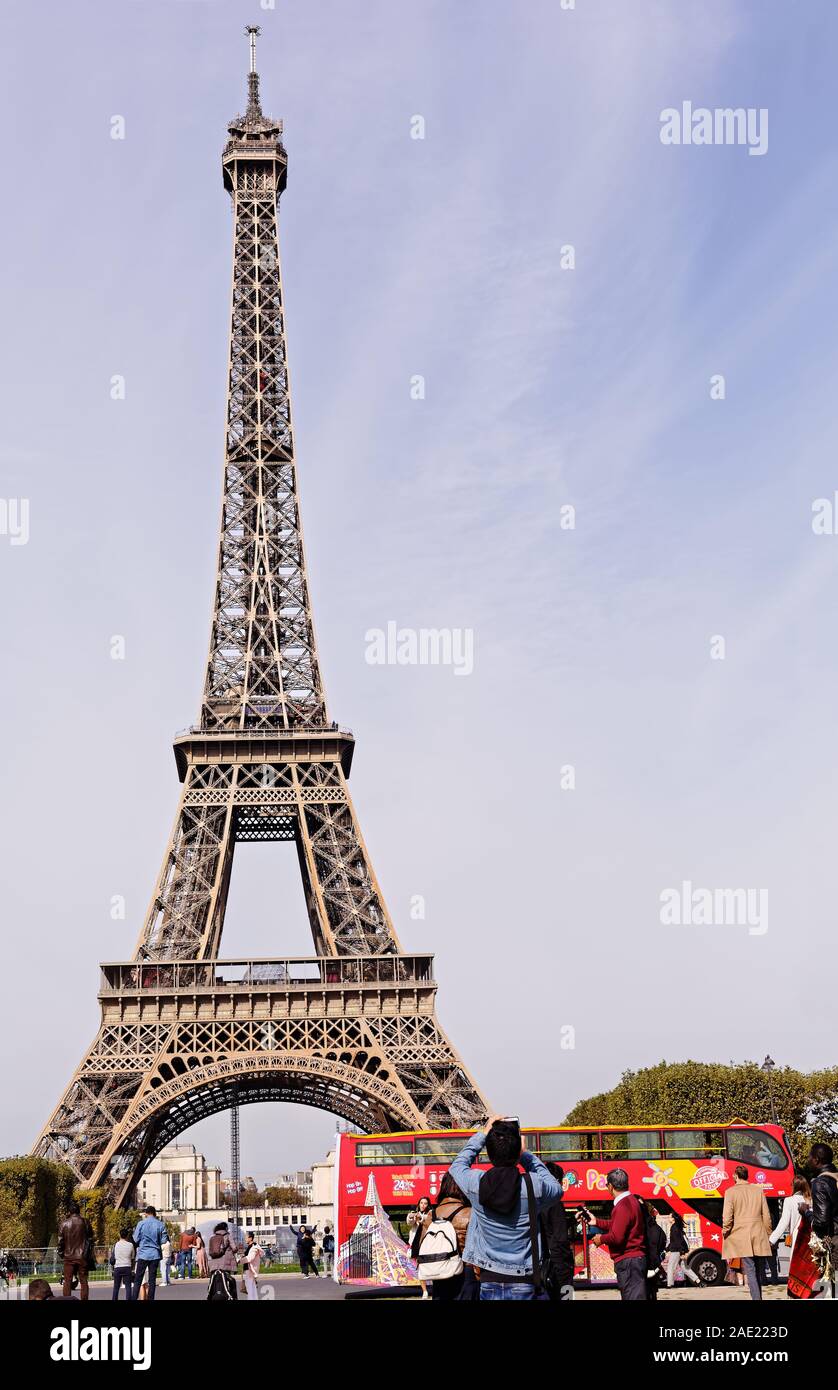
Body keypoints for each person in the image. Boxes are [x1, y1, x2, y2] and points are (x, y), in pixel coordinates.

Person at [449, 1115, 562, 1300]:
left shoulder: (475, 1184)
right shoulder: (533, 1186)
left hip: (488, 1279)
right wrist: (525, 1154)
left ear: (489, 1152)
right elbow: (557, 1188)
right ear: (517, 1151)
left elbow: (457, 1165)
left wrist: (483, 1134)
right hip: (525, 1278)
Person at [582, 1169, 648, 1301]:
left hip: (628, 1260)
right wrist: (597, 1222)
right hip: (635, 1260)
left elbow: (617, 1237)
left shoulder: (622, 1206)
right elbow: (620, 1225)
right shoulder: (631, 1201)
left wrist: (601, 1239)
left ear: (611, 1186)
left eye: (607, 1185)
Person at [721, 1165, 773, 1300]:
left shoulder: (730, 1192)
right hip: (759, 1233)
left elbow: (727, 1217)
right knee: (758, 1272)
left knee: (750, 1271)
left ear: (735, 1176)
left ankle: (757, 1299)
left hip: (742, 1235)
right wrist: (768, 1234)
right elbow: (766, 1216)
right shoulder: (758, 1191)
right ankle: (758, 1297)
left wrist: (725, 1230)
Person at [540, 1162, 574, 1301]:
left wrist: (571, 1221)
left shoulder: (539, 1201)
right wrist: (568, 1261)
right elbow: (560, 1238)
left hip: (543, 1260)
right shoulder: (555, 1202)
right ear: (557, 1181)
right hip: (559, 1263)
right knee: (566, 1296)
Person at [807, 1142, 838, 1298]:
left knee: (832, 1290)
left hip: (834, 1243)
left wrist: (806, 1213)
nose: (808, 1160)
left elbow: (822, 1220)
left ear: (817, 1159)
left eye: (810, 1157)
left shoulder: (820, 1183)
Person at [770, 1177, 810, 1291]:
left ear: (794, 1186)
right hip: (811, 1239)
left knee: (796, 1270)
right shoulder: (810, 1200)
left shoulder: (789, 1200)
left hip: (797, 1238)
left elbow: (783, 1223)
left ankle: (795, 1293)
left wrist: (772, 1239)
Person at [58, 1201, 93, 1301]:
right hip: (82, 1256)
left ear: (69, 1211)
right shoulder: (85, 1222)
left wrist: (62, 1254)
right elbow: (90, 1237)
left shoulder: (64, 1223)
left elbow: (60, 1241)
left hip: (68, 1256)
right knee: (84, 1281)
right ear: (78, 1211)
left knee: (67, 1281)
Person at [131, 1206, 168, 1302]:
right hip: (155, 1254)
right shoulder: (161, 1224)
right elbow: (164, 1240)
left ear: (146, 1214)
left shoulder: (141, 1224)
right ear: (154, 1213)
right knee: (152, 1280)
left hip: (143, 1254)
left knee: (138, 1279)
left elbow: (135, 1239)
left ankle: (134, 1298)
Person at [406, 1197, 434, 1298]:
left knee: (432, 1266)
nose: (423, 1205)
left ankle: (435, 1288)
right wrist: (413, 1217)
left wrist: (420, 1218)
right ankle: (425, 1291)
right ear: (419, 1204)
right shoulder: (413, 1212)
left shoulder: (431, 1213)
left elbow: (428, 1221)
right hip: (417, 1245)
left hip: (428, 1243)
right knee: (420, 1268)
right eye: (421, 1203)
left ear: (428, 1204)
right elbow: (409, 1222)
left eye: (425, 1203)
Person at [665, 1211, 701, 1288]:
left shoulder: (674, 1228)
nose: (668, 1218)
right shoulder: (677, 1227)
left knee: (670, 1267)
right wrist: (667, 1249)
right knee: (685, 1268)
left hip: (676, 1251)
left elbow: (677, 1241)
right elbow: (675, 1241)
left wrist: (681, 1253)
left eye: (670, 1217)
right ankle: (698, 1281)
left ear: (673, 1219)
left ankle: (669, 1284)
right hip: (679, 1250)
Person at [207, 1222, 240, 1301]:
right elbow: (234, 1248)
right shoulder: (228, 1236)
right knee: (229, 1280)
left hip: (214, 1264)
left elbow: (210, 1251)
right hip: (226, 1262)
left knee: (213, 1280)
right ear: (225, 1228)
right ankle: (231, 1296)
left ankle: (210, 1295)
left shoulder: (213, 1237)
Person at [642, 1202, 667, 1301]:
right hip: (653, 1268)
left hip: (645, 1268)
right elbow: (661, 1247)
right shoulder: (657, 1229)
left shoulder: (644, 1228)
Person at [111, 1226, 136, 1302]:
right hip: (127, 1266)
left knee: (116, 1287)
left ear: (120, 1235)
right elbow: (133, 1257)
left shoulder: (116, 1245)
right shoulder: (130, 1245)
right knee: (128, 1286)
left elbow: (113, 1257)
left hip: (118, 1267)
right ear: (127, 1235)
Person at [243, 1232, 264, 1301]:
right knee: (252, 1288)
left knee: (250, 1288)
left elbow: (250, 1258)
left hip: (250, 1269)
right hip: (250, 1269)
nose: (245, 1238)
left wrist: (239, 1261)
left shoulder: (253, 1247)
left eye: (246, 1237)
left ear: (250, 1238)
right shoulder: (251, 1246)